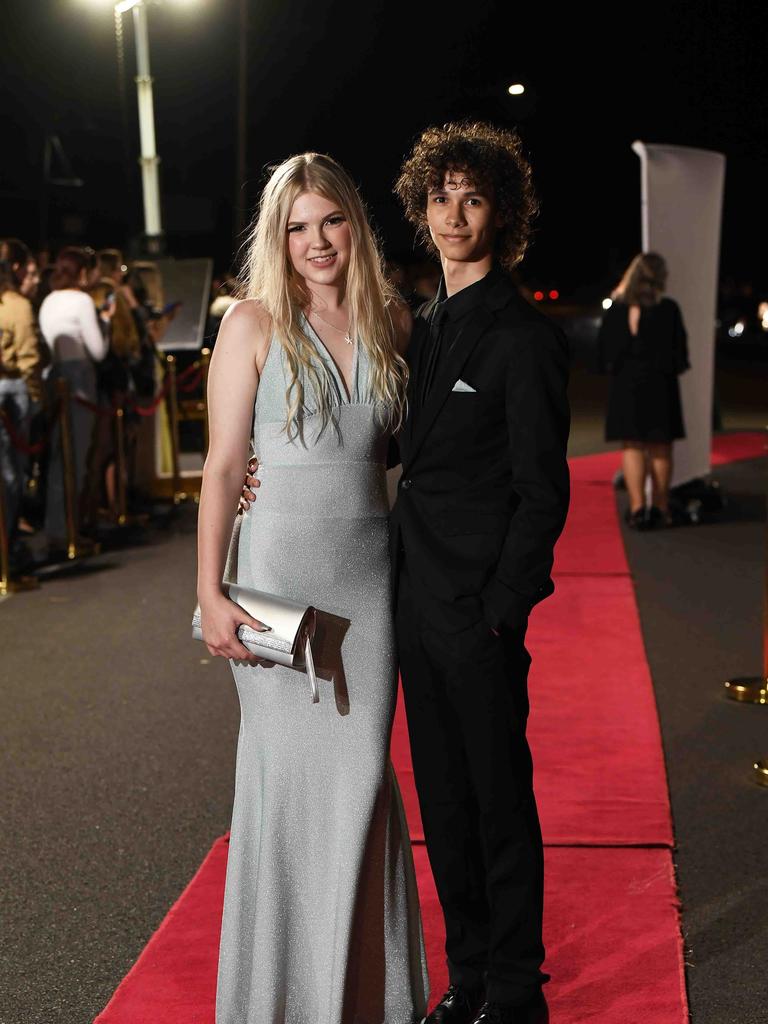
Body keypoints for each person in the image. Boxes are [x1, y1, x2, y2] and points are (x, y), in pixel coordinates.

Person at [243, 122, 571, 1024]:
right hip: (404, 599)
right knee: (447, 806)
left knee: (500, 802)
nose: (456, 213)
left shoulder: (524, 339)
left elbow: (545, 494)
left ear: (501, 211)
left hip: (479, 611)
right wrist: (268, 473)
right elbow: (383, 445)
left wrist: (504, 607)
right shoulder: (417, 328)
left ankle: (516, 991)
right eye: (441, 197)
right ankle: (468, 979)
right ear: (422, 211)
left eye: (473, 197)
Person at [196, 152, 429, 1024]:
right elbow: (222, 469)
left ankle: (366, 1002)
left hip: (370, 586)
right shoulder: (251, 322)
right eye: (297, 226)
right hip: (275, 584)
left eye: (330, 220)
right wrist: (213, 591)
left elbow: (411, 453)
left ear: (354, 226)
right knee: (284, 791)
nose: (316, 240)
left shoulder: (395, 323)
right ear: (277, 237)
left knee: (363, 782)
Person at [597, 252, 689, 529]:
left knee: (632, 446)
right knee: (661, 447)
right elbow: (680, 356)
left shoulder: (618, 308)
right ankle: (661, 507)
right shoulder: (669, 309)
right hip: (660, 384)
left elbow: (604, 353)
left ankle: (638, 509)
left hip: (627, 384)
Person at [38, 246, 112, 550]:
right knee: (76, 458)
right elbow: (98, 351)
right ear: (81, 272)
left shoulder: (47, 300)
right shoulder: (81, 301)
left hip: (54, 379)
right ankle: (67, 530)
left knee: (58, 456)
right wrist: (105, 321)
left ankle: (57, 527)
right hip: (79, 381)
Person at [0, 253, 43, 565]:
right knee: (11, 473)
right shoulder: (16, 304)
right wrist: (36, 397)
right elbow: (28, 358)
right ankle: (8, 548)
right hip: (11, 389)